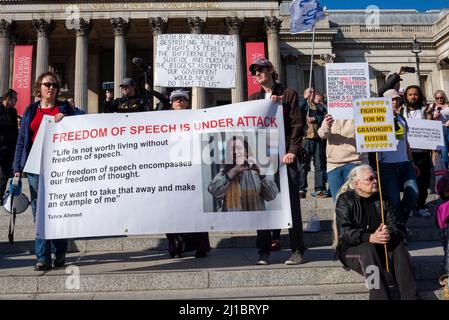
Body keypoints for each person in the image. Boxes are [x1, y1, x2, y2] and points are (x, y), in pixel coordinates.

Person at [13, 72, 75, 271]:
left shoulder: (65, 108)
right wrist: (16, 168)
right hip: (35, 168)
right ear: (38, 87)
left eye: (54, 85)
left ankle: (60, 252)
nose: (51, 88)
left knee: (58, 210)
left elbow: (81, 128)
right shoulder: (31, 110)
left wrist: (66, 120)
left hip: (59, 167)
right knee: (39, 212)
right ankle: (42, 257)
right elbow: (22, 140)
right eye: (47, 84)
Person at [248, 57, 306, 265]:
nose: (257, 74)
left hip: (285, 157)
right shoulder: (254, 98)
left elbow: (298, 125)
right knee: (263, 204)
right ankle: (263, 251)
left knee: (291, 205)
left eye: (261, 69)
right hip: (263, 159)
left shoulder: (288, 94)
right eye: (254, 71)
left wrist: (292, 151)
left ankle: (298, 249)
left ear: (271, 70)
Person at [335, 164, 419, 300]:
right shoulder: (345, 199)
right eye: (370, 179)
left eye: (375, 178)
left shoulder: (383, 199)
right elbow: (344, 232)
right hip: (353, 250)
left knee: (399, 247)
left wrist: (388, 233)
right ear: (356, 183)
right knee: (367, 249)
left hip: (382, 246)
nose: (375, 181)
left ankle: (412, 297)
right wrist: (369, 237)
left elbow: (397, 225)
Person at [165, 89, 211, 259]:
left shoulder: (196, 117)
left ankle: (201, 246)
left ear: (187, 102)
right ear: (171, 103)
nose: (179, 102)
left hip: (193, 169)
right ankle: (176, 247)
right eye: (175, 99)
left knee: (196, 210)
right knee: (173, 211)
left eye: (182, 99)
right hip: (171, 171)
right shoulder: (162, 121)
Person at [378, 89, 418, 231]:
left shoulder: (402, 118)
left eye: (397, 99)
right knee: (393, 200)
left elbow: (406, 142)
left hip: (405, 163)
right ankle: (398, 230)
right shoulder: (378, 118)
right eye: (391, 100)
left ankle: (398, 225)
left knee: (414, 194)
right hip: (387, 165)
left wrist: (412, 162)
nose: (395, 102)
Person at [208, 135, 279, 211]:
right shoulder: (226, 171)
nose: (235, 152)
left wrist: (261, 173)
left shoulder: (256, 171)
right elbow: (213, 191)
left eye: (239, 148)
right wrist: (234, 171)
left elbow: (272, 195)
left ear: (246, 151)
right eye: (232, 149)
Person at [398, 85, 432, 218]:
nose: (413, 97)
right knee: (409, 181)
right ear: (406, 96)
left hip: (422, 152)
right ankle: (410, 205)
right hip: (406, 152)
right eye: (410, 94)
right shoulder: (401, 111)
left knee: (424, 181)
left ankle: (421, 205)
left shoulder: (426, 111)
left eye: (416, 94)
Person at [318, 114, 369, 202]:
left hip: (355, 163)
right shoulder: (331, 116)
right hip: (333, 165)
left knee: (356, 202)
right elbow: (322, 134)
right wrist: (327, 125)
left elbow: (366, 134)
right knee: (338, 203)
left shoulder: (358, 113)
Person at [298, 88, 328, 198]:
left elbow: (325, 116)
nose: (311, 94)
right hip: (306, 139)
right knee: (303, 165)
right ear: (305, 94)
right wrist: (305, 99)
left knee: (319, 164)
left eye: (313, 93)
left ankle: (319, 188)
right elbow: (298, 109)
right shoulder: (303, 105)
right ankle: (301, 188)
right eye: (309, 93)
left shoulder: (319, 106)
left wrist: (315, 118)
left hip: (318, 139)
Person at [0, 89, 19, 203]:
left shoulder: (13, 111)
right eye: (15, 99)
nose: (16, 101)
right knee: (1, 173)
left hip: (9, 148)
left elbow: (14, 130)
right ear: (8, 98)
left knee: (5, 174)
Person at [430, 90, 449, 168]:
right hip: (439, 129)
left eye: (441, 97)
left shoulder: (447, 105)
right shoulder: (433, 106)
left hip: (448, 127)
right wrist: (433, 116)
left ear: (444, 97)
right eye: (437, 98)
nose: (439, 99)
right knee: (444, 150)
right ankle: (446, 168)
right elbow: (428, 118)